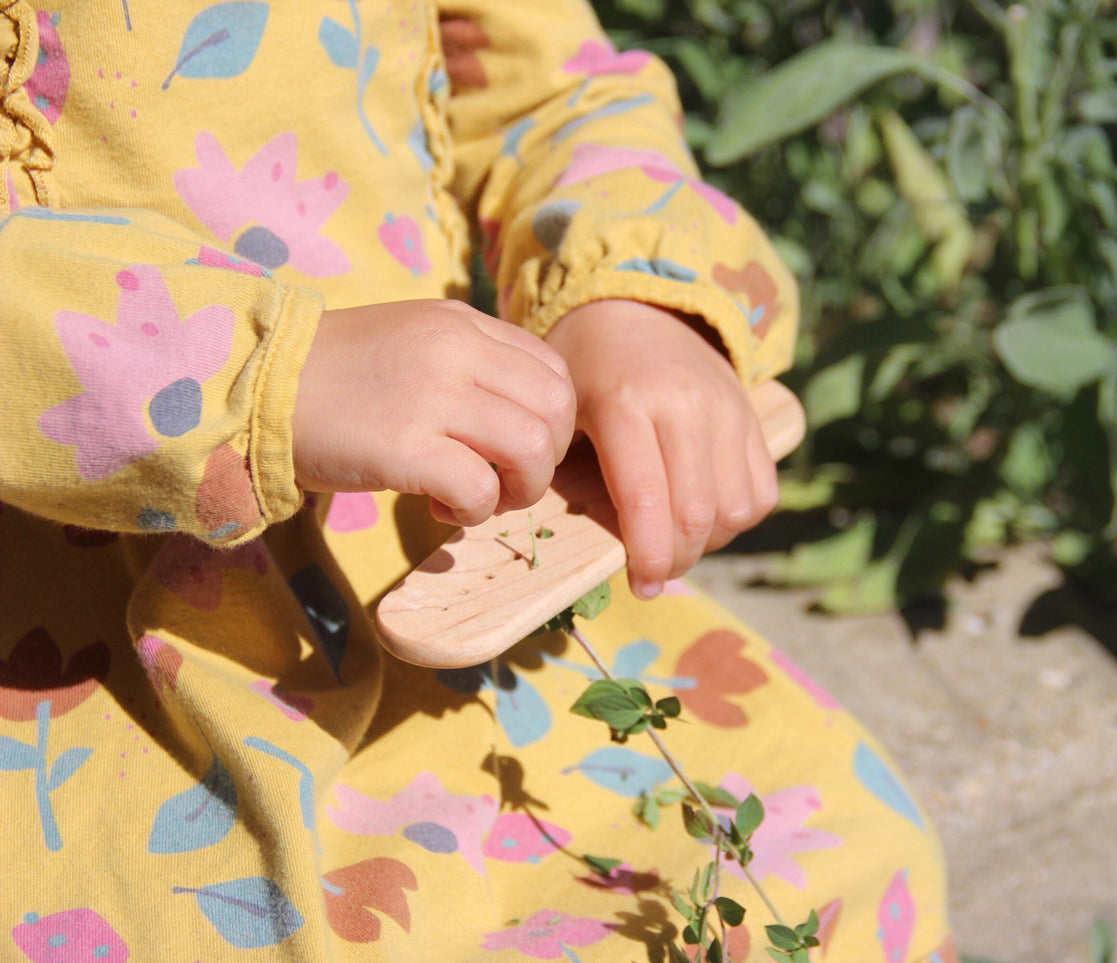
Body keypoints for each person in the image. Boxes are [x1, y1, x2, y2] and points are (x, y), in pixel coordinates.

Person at [0, 2, 953, 959]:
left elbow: (546, 90)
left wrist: (628, 294)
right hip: (88, 660)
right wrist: (255, 381)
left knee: (844, 859)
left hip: (451, 551)